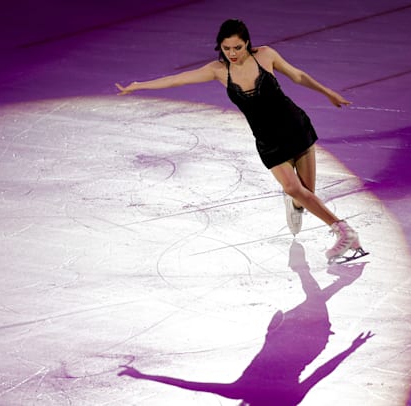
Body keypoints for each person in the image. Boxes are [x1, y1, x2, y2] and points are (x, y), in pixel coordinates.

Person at [116, 19, 367, 263]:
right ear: (220, 47)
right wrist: (138, 85)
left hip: (296, 127)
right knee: (293, 188)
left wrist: (327, 92)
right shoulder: (218, 70)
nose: (232, 53)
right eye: (226, 48)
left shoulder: (266, 55)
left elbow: (297, 75)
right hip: (268, 141)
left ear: (247, 43)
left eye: (237, 47)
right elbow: (176, 79)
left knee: (306, 195)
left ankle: (296, 204)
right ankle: (345, 232)